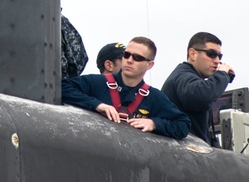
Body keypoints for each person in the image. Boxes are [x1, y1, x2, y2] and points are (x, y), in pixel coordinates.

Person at [61, 37, 190, 139]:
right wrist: (96, 104)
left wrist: (154, 123)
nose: (129, 60)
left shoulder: (154, 97)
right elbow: (63, 87)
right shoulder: (98, 83)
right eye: (126, 55)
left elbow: (183, 124)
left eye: (137, 58)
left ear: (149, 65)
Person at [161, 32, 236, 145]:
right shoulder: (183, 77)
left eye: (219, 56)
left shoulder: (188, 77)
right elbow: (203, 96)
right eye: (211, 54)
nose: (217, 61)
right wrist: (222, 75)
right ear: (193, 54)